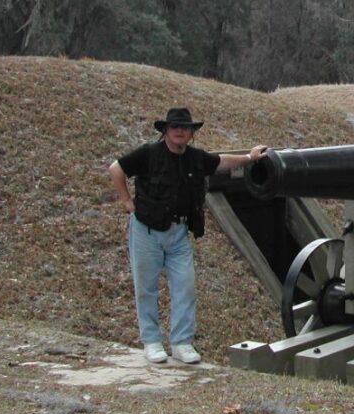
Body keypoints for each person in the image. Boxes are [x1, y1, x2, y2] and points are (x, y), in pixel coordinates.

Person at [109, 107, 267, 364]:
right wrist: (127, 200)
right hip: (147, 230)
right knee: (146, 288)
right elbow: (116, 169)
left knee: (185, 287)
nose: (180, 131)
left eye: (185, 128)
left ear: (192, 133)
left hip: (178, 232)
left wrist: (249, 157)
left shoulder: (195, 158)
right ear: (166, 131)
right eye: (175, 127)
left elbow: (221, 162)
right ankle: (151, 342)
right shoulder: (149, 154)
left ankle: (181, 343)